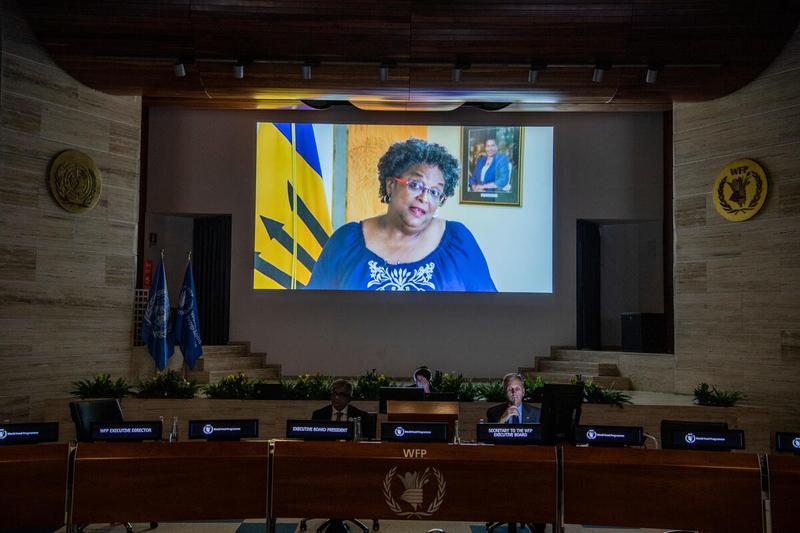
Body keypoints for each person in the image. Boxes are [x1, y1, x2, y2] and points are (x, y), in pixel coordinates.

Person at [306, 138, 496, 291]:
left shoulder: (458, 240)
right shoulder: (345, 241)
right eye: (415, 185)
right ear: (391, 185)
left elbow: (488, 317)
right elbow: (313, 313)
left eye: (435, 192)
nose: (424, 197)